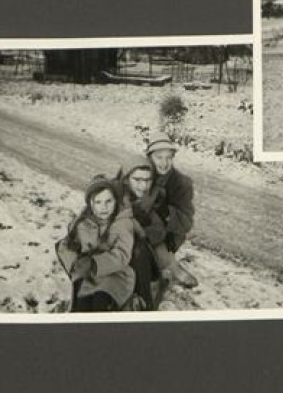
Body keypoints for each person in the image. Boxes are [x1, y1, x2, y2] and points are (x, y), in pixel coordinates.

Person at [55, 175, 136, 312]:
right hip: (88, 277)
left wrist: (95, 263)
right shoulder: (82, 223)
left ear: (116, 201)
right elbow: (65, 246)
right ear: (90, 204)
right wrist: (75, 263)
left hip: (115, 276)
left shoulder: (122, 223)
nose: (103, 207)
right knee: (81, 306)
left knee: (101, 303)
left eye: (108, 201)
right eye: (98, 202)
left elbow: (122, 254)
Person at [145, 134, 198, 287]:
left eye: (168, 157)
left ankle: (170, 265)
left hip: (167, 236)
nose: (164, 163)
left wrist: (167, 212)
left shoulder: (182, 183)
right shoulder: (140, 173)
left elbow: (186, 222)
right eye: (159, 157)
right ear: (150, 158)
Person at [115, 156, 163, 310]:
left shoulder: (148, 199)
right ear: (126, 179)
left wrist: (143, 232)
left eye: (148, 180)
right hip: (111, 250)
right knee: (138, 250)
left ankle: (145, 300)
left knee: (141, 249)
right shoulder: (113, 196)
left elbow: (159, 228)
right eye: (137, 180)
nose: (144, 186)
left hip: (133, 249)